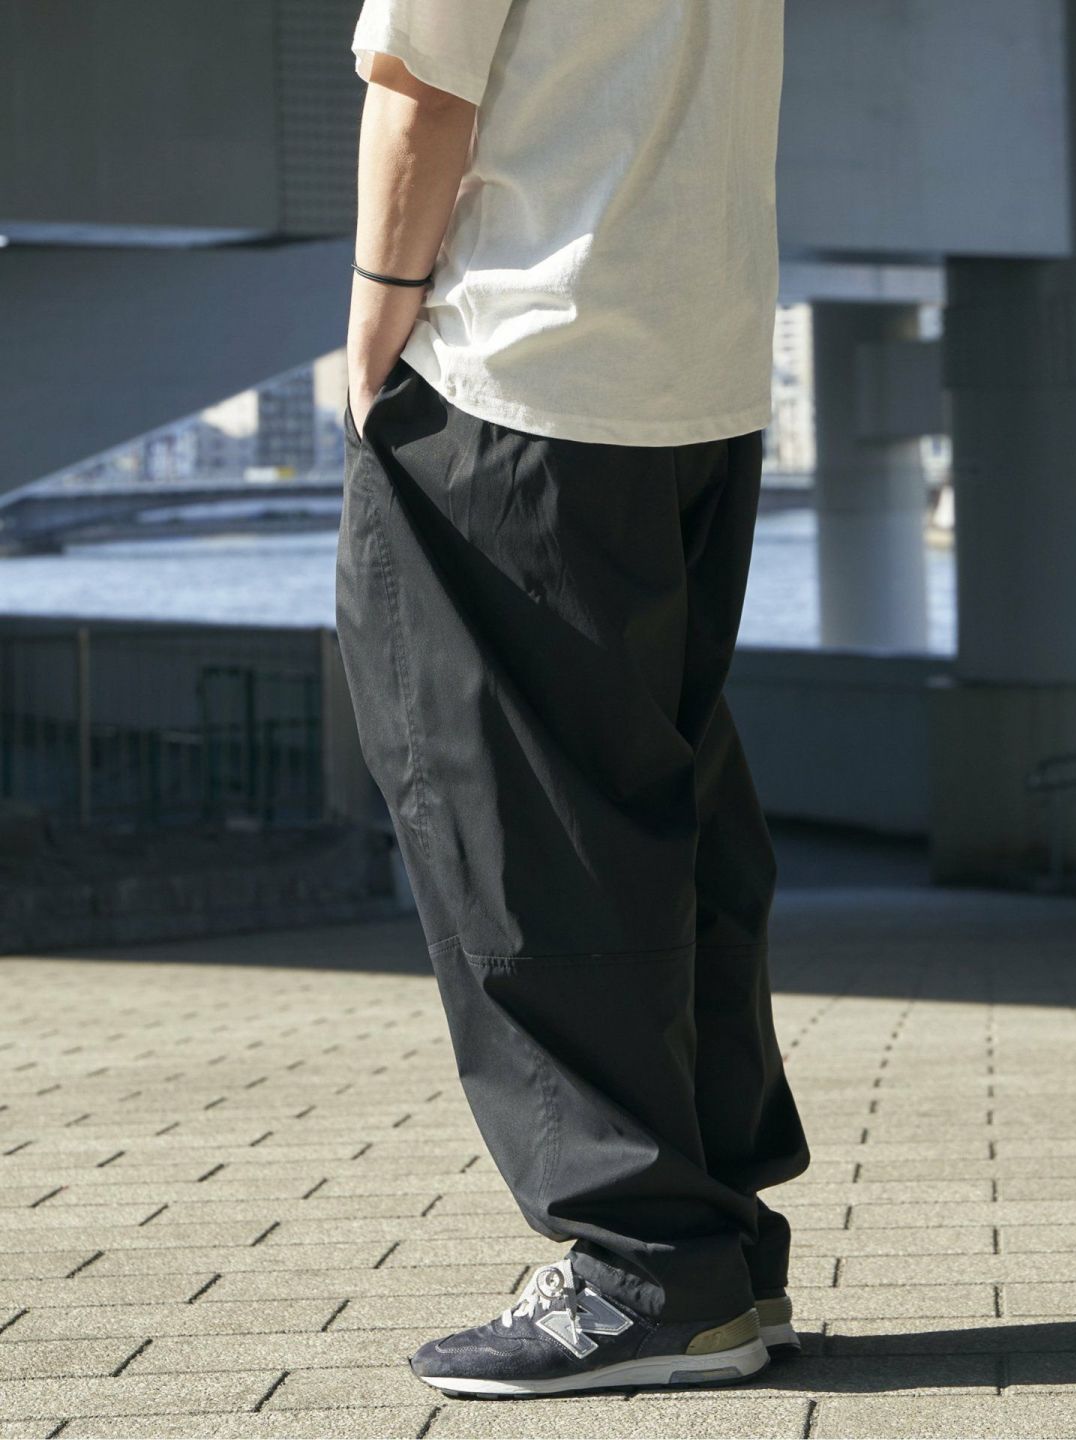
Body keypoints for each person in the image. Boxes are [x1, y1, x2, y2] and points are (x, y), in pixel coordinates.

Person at [337, 0, 811, 1400]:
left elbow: (422, 85)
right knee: (665, 803)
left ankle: (644, 1261)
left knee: (517, 817)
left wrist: (374, 326)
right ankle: (718, 1250)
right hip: (693, 371)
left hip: (518, 372)